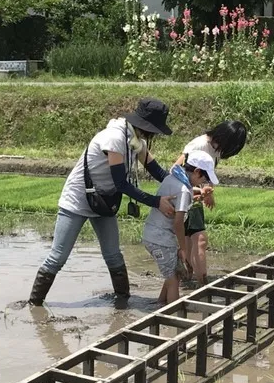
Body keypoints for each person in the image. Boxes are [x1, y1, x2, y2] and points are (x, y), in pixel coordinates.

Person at [28, 98, 176, 306]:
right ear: (143, 125)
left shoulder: (135, 141)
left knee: (113, 254)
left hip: (103, 201)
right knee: (58, 256)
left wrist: (183, 186)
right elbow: (122, 184)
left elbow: (158, 171)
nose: (153, 134)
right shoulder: (115, 138)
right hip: (78, 200)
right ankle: (34, 304)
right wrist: (156, 201)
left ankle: (123, 301)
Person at [175, 120, 247, 286]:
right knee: (200, 239)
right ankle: (203, 284)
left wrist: (207, 190)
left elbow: (204, 173)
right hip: (187, 195)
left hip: (192, 195)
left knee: (189, 239)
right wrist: (195, 191)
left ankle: (188, 278)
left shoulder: (213, 148)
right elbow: (178, 169)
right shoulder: (200, 146)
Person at [142, 151, 219, 304]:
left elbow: (179, 200)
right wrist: (183, 249)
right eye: (205, 178)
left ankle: (160, 303)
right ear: (197, 172)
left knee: (174, 273)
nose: (204, 182)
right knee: (173, 280)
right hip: (160, 240)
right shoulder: (183, 190)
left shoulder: (172, 178)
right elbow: (178, 223)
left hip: (153, 234)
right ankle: (173, 318)